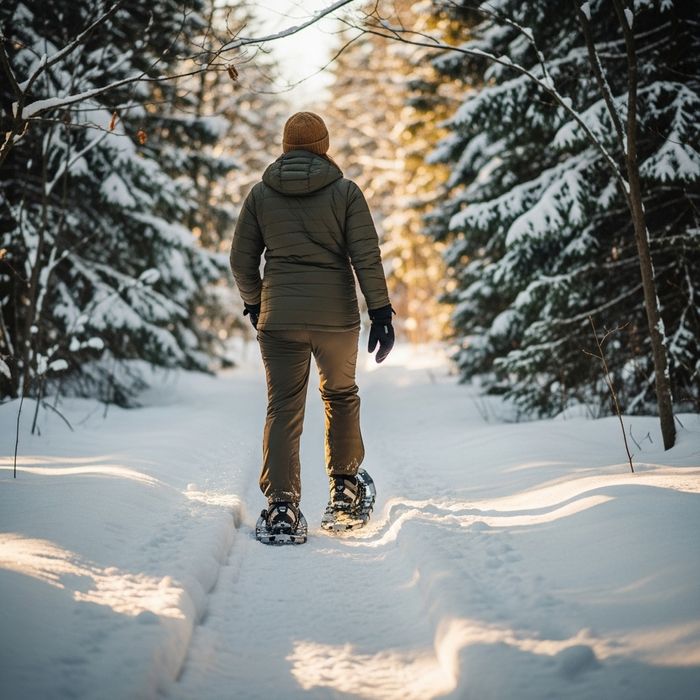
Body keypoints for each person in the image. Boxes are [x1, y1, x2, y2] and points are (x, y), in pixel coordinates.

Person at [230, 111, 394, 544]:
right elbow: (366, 256)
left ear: (285, 146)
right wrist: (381, 312)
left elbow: (241, 261)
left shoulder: (260, 196)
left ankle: (282, 507)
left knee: (283, 408)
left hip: (279, 318)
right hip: (336, 319)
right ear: (324, 146)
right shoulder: (345, 193)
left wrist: (255, 302)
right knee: (340, 396)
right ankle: (343, 494)